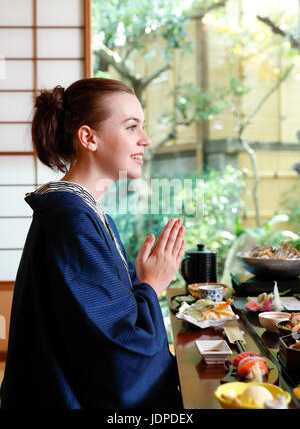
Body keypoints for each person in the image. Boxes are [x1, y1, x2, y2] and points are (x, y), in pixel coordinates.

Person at [0, 78, 186, 409]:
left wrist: (140, 282)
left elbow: (110, 315)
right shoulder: (69, 218)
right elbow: (115, 350)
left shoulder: (86, 212)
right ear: (89, 138)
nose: (145, 139)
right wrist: (150, 285)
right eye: (131, 127)